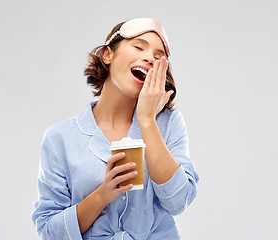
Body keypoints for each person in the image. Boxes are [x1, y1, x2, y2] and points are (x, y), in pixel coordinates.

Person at [31, 18, 199, 240]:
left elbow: (178, 202)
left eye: (159, 58)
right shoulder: (59, 138)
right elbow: (50, 232)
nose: (150, 58)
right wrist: (102, 195)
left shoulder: (169, 124)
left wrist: (147, 121)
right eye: (139, 47)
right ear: (107, 55)